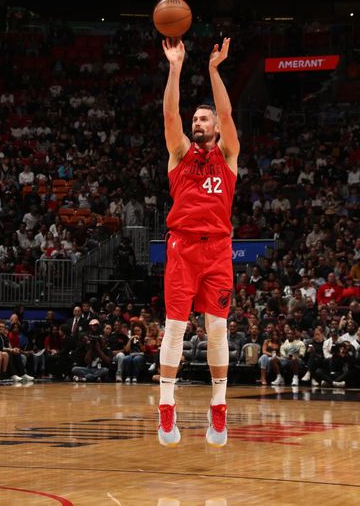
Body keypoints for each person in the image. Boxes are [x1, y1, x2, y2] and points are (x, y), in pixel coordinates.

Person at [157, 36, 240, 447]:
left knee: (217, 329)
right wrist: (175, 67)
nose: (198, 122)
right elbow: (169, 112)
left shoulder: (228, 157)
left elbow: (225, 109)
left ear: (218, 128)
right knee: (175, 327)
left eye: (204, 120)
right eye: (196, 119)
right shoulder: (179, 153)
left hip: (218, 250)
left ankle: (219, 408)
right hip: (183, 247)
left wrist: (212, 69)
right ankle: (166, 406)